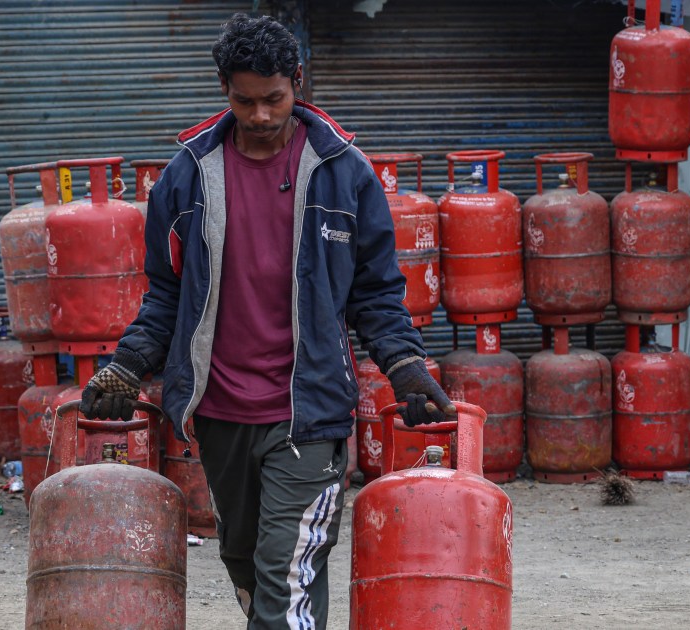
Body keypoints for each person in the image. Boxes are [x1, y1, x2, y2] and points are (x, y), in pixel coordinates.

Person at [79, 13, 455, 630]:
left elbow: (377, 293)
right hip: (220, 411)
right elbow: (166, 294)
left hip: (308, 412)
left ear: (297, 82)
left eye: (273, 99)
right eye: (245, 101)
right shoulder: (187, 176)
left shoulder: (343, 172)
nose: (259, 115)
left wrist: (406, 367)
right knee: (246, 563)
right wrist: (127, 366)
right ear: (224, 90)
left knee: (287, 575)